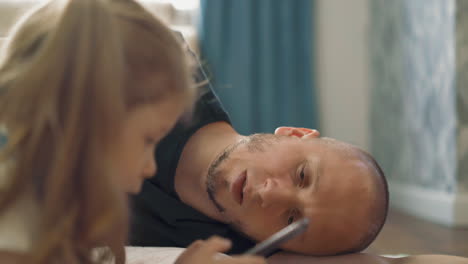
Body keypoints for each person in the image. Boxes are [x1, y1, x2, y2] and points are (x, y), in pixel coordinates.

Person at [0, 0, 265, 264]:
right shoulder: (15, 224)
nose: (151, 168)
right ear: (92, 115)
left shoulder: (59, 212)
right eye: (148, 139)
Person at [130, 50, 389, 257]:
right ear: (294, 133)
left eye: (291, 221)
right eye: (301, 175)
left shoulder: (231, 251)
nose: (269, 194)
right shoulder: (161, 64)